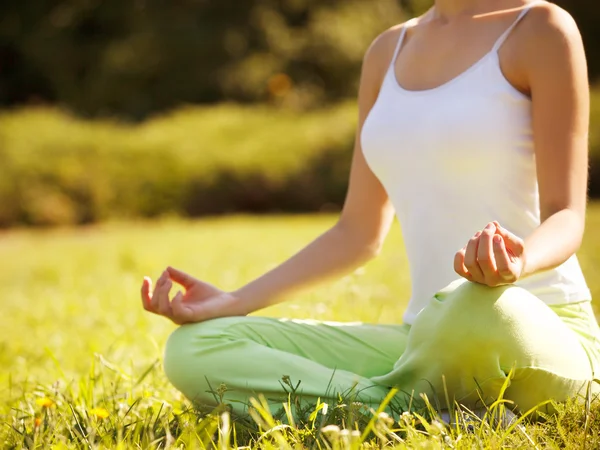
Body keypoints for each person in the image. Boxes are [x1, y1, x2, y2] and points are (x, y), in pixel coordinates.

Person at [141, 0, 600, 418]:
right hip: (423, 339)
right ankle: (405, 412)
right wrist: (233, 301)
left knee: (477, 308)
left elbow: (567, 216)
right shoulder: (387, 50)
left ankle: (385, 406)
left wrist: (518, 262)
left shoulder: (540, 28)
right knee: (195, 346)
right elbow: (357, 232)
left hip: (528, 327)